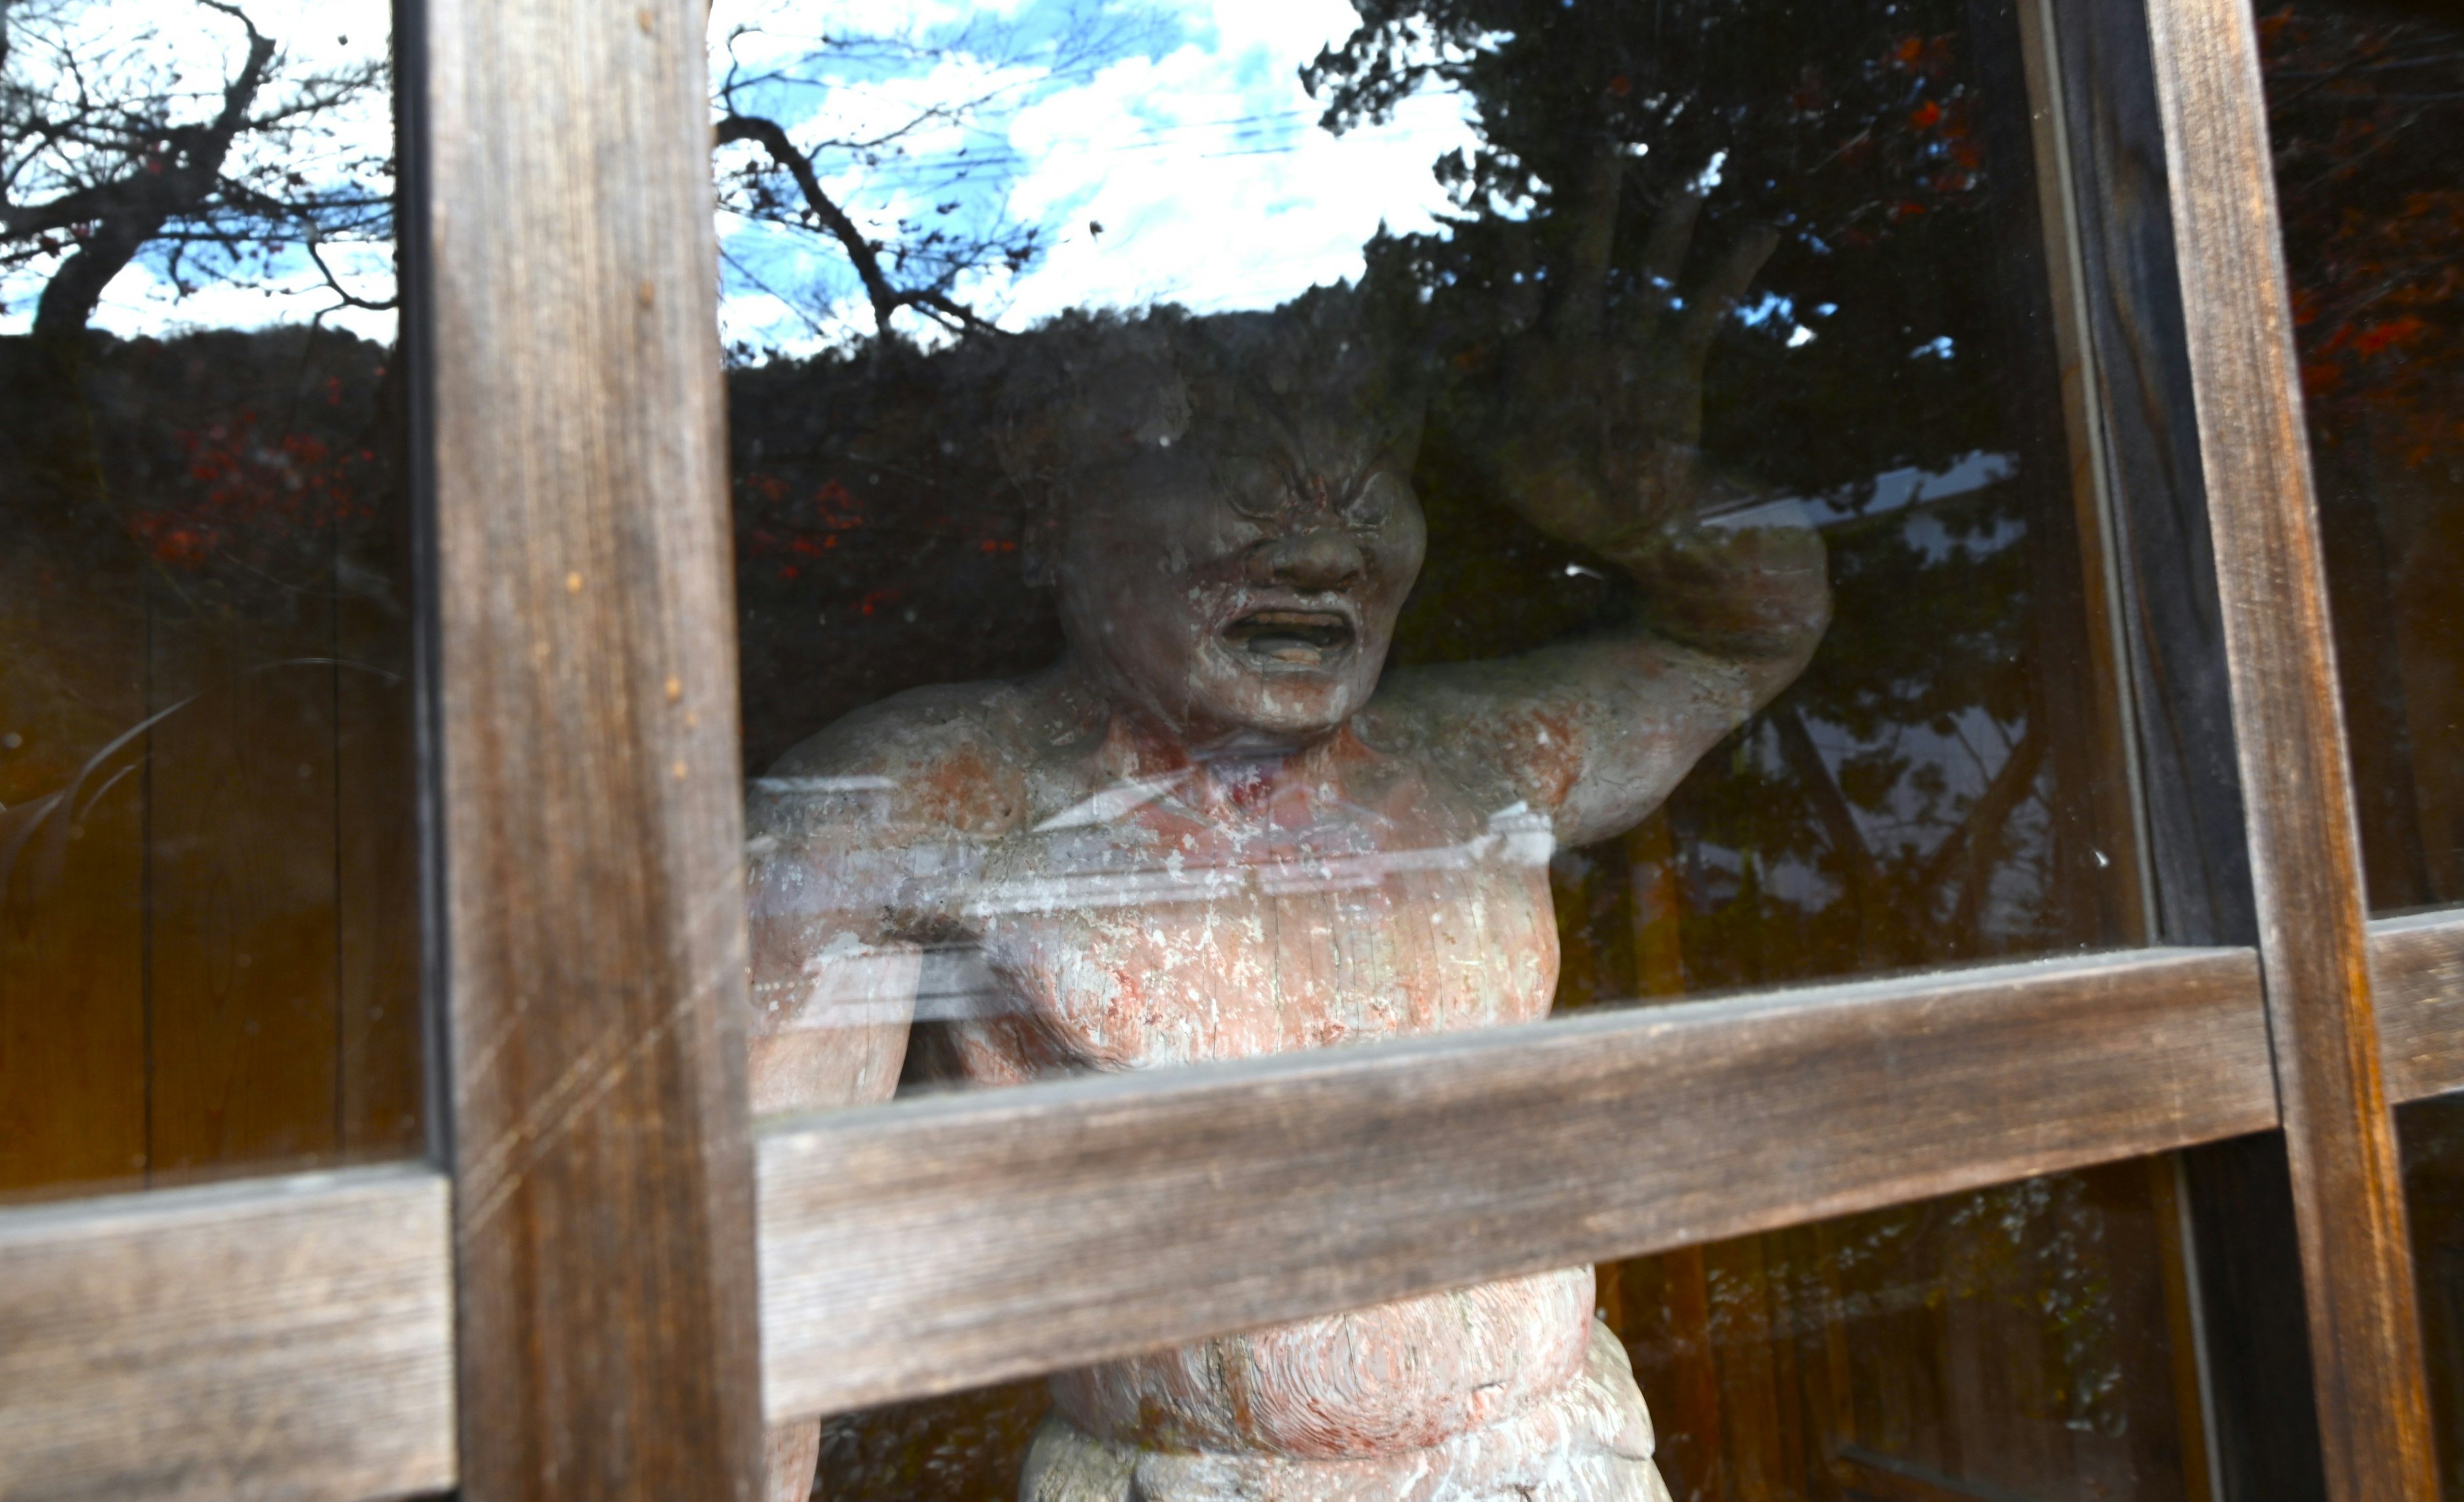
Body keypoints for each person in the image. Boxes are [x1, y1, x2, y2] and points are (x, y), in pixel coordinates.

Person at [746, 255, 1827, 1501]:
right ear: (1055, 516)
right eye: (1253, 494)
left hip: (1562, 1460)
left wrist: (1645, 503)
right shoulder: (912, 810)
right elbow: (747, 1292)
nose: (1324, 552)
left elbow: (1747, 629)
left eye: (1371, 501)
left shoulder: (1482, 762)